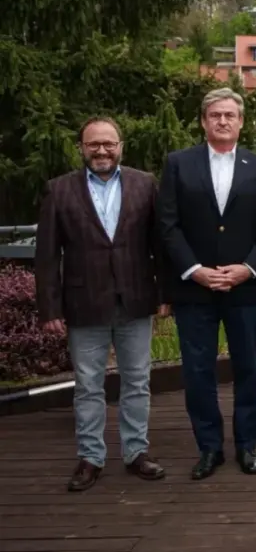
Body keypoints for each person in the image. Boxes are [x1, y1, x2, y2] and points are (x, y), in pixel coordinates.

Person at [35, 117, 168, 492]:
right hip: (83, 303)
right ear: (82, 147)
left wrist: (165, 295)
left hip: (136, 299)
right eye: (93, 144)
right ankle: (90, 457)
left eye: (109, 143)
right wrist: (50, 308)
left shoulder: (145, 185)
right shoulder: (58, 191)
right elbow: (46, 256)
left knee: (138, 382)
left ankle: (136, 452)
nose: (102, 151)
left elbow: (159, 245)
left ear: (121, 146)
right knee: (88, 385)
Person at [159, 88, 256, 479]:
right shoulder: (178, 164)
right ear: (203, 121)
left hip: (245, 288)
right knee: (198, 372)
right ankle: (209, 448)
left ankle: (247, 446)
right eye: (215, 115)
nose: (223, 121)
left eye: (230, 115)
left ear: (242, 121)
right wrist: (193, 269)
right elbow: (168, 225)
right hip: (195, 289)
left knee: (249, 369)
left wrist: (249, 268)